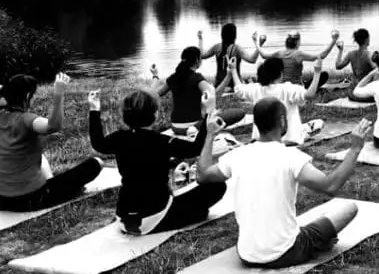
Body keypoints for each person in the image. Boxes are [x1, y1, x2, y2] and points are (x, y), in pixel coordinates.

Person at [196, 98, 369, 269]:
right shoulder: (291, 157)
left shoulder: (237, 155)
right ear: (282, 121)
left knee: (304, 225)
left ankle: (312, 239)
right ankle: (318, 243)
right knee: (349, 208)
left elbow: (202, 175)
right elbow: (330, 186)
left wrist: (210, 135)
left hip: (247, 255)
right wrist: (355, 148)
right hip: (287, 252)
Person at [88, 88, 227, 234]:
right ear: (155, 114)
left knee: (194, 208)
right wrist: (208, 114)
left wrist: (94, 109)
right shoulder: (161, 141)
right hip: (155, 217)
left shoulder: (119, 138)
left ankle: (190, 214)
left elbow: (98, 143)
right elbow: (195, 148)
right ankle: (188, 215)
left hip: (124, 217)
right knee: (216, 186)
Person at [0, 74, 103, 212]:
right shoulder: (26, 120)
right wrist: (59, 94)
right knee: (96, 163)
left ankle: (50, 182)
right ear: (28, 96)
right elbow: (53, 126)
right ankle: (52, 189)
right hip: (30, 199)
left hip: (3, 200)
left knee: (42, 157)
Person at [225, 56, 324, 146]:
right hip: (289, 141)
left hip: (261, 141)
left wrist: (233, 70)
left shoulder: (256, 88)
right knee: (318, 123)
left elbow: (239, 90)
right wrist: (317, 72)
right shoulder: (288, 89)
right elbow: (309, 94)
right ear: (280, 74)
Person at [256, 28, 340, 89]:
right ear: (297, 42)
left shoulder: (279, 53)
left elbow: (263, 55)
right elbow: (322, 55)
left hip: (281, 86)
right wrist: (334, 40)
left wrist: (257, 43)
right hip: (297, 88)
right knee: (324, 75)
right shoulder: (299, 54)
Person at [336, 28, 379, 102]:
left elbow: (338, 66)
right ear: (367, 39)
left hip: (352, 93)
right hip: (365, 95)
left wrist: (340, 50)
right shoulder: (368, 55)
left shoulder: (351, 54)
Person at [198, 24, 260, 91]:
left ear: (222, 35)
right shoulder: (236, 48)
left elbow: (201, 55)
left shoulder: (217, 47)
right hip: (234, 84)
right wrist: (259, 44)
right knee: (252, 80)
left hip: (219, 84)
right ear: (234, 35)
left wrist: (200, 39)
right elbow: (252, 60)